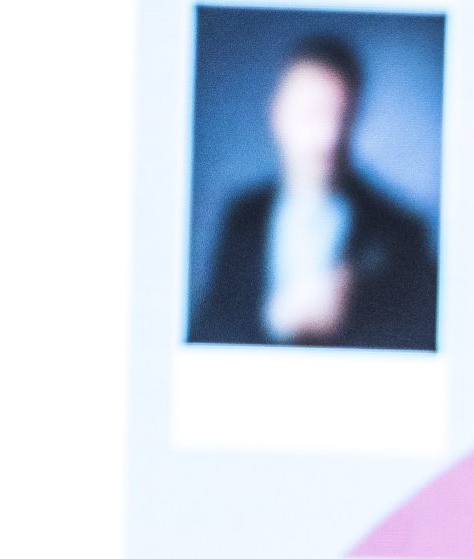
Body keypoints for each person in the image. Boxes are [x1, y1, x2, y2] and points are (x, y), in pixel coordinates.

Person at [188, 34, 439, 350]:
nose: (328, 136)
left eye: (340, 115)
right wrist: (276, 321)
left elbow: (423, 348)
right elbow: (206, 334)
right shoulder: (243, 218)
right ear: (278, 114)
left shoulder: (401, 233)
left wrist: (355, 317)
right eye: (312, 113)